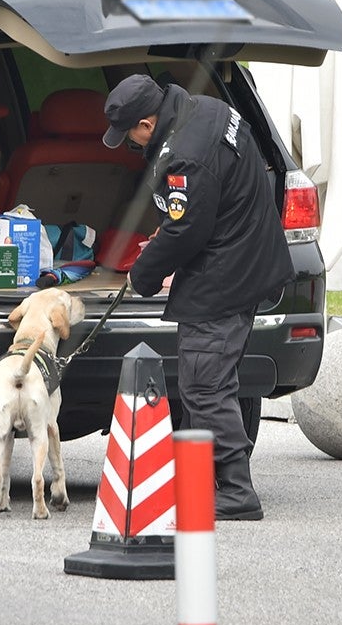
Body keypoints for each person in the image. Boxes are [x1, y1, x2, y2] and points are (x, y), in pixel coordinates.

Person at [101, 74, 290, 521]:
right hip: (248, 254)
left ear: (147, 123)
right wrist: (171, 231)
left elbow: (188, 228)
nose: (131, 143)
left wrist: (141, 275)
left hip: (227, 274)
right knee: (208, 380)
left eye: (130, 134)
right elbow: (202, 207)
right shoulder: (207, 108)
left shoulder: (183, 156)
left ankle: (236, 491)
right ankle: (197, 476)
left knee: (204, 384)